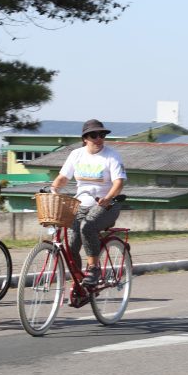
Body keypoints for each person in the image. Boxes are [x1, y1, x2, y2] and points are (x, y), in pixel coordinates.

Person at [50, 119, 127, 284]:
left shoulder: (111, 155)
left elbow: (119, 183)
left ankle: (93, 269)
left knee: (87, 226)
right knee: (70, 246)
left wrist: (108, 198)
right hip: (80, 205)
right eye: (94, 135)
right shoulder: (76, 154)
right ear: (85, 138)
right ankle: (79, 283)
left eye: (102, 135)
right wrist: (54, 188)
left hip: (106, 206)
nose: (99, 139)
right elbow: (63, 177)